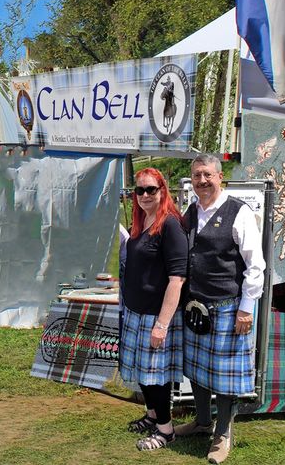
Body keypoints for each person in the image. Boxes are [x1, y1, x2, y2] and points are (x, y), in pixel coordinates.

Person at [173, 154, 265, 464]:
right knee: (198, 370)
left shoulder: (238, 212)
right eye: (197, 175)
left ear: (220, 176)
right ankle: (202, 422)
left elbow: (256, 265)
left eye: (207, 175)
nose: (202, 180)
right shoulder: (192, 210)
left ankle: (223, 433)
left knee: (224, 377)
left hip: (228, 307)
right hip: (196, 306)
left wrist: (246, 308)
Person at [120, 168, 187, 451]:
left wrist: (161, 324)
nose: (145, 195)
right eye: (140, 190)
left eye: (151, 190)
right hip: (137, 312)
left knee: (155, 377)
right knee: (142, 373)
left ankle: (166, 431)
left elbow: (177, 278)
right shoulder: (141, 220)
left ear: (162, 190)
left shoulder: (170, 224)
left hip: (156, 316)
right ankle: (152, 416)